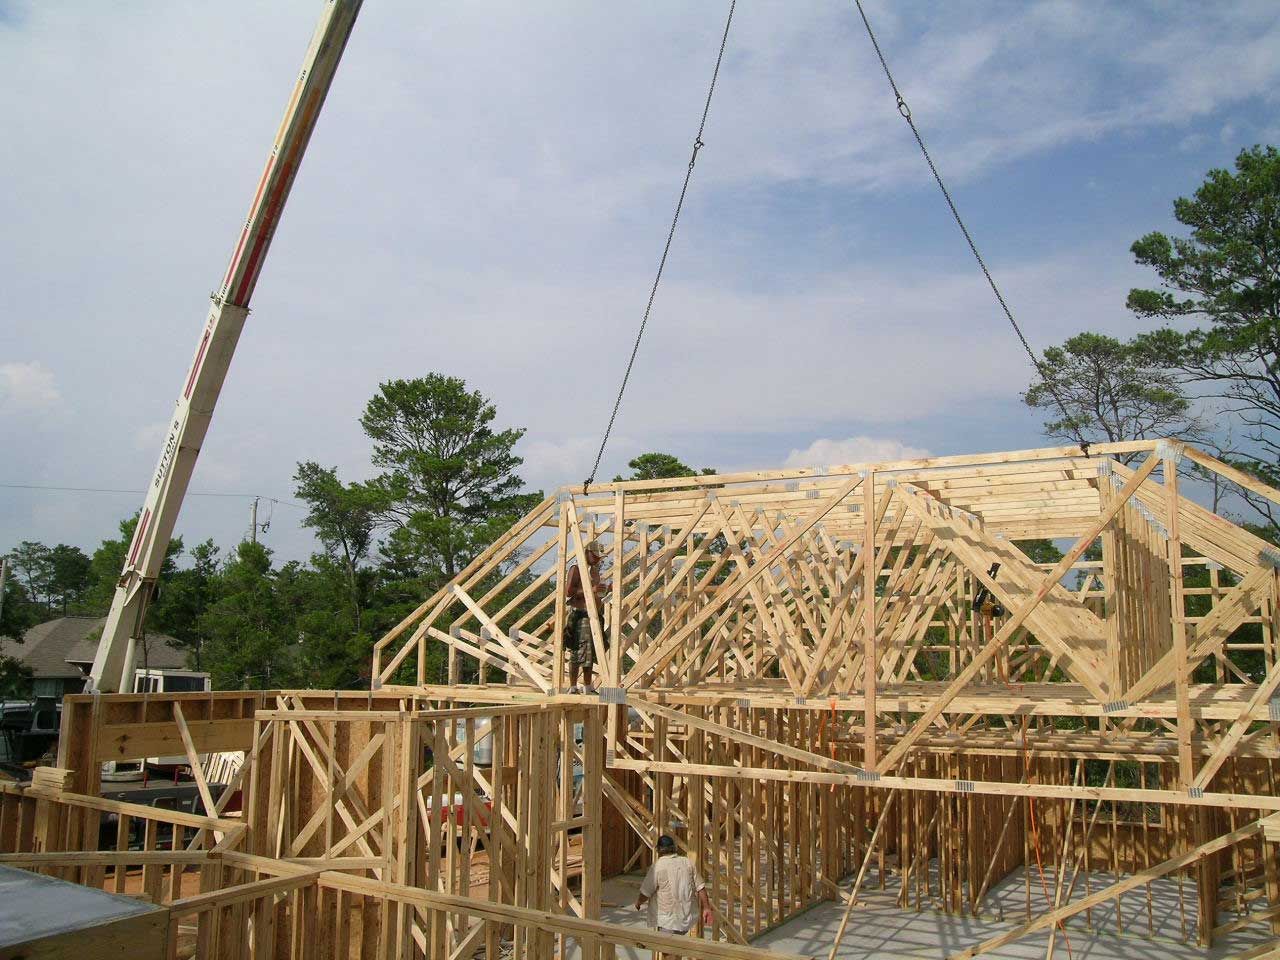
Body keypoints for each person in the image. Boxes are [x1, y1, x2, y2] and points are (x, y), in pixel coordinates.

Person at [635, 835, 713, 938]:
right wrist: (707, 907)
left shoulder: (658, 866)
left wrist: (638, 902)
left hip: (667, 921)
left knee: (667, 951)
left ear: (658, 850)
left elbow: (646, 892)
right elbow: (700, 887)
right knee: (677, 949)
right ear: (674, 848)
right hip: (685, 918)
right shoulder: (687, 862)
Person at [564, 540, 607, 693]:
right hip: (580, 615)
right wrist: (592, 589)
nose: (598, 559)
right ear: (588, 553)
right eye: (595, 556)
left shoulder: (594, 570)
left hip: (593, 615)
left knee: (590, 652)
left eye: (599, 557)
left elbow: (596, 592)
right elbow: (569, 592)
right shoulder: (576, 569)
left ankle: (588, 687)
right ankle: (573, 686)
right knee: (578, 651)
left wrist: (603, 590)